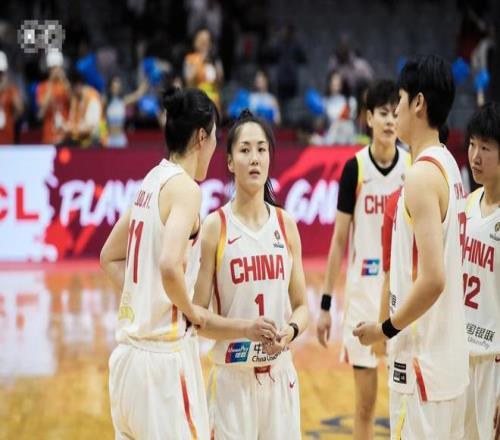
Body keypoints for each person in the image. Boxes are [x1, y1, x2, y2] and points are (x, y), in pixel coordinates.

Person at [353, 55, 469, 439]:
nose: (396, 110)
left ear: (418, 103)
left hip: (421, 368)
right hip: (448, 365)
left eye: (400, 100)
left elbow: (433, 279)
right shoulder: (450, 166)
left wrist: (383, 329)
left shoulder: (420, 176)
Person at [100, 87, 219, 439]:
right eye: (215, 136)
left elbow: (109, 257)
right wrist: (192, 312)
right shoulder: (186, 189)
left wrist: (144, 299)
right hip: (163, 365)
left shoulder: (151, 181)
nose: (216, 145)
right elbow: (169, 264)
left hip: (127, 363)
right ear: (202, 137)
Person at [193, 110, 308, 439]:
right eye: (245, 150)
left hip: (280, 378)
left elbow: (302, 306)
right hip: (232, 380)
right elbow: (198, 318)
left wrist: (290, 331)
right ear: (230, 162)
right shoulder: (215, 226)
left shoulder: (286, 225)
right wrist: (246, 329)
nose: (254, 158)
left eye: (261, 149)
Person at [316, 79, 409, 440]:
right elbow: (339, 240)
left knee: (407, 402)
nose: (390, 121)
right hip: (362, 296)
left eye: (395, 113)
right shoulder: (354, 169)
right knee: (365, 408)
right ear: (368, 118)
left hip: (402, 295)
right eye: (383, 113)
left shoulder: (413, 166)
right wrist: (325, 305)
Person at [461, 103, 500, 440]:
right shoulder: (469, 203)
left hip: (494, 361)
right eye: (472, 144)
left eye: (485, 148)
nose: (475, 156)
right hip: (461, 355)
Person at [184, 28, 223, 110]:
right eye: (202, 40)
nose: (205, 44)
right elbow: (189, 82)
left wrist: (215, 65)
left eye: (208, 41)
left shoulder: (215, 60)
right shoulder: (190, 59)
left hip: (214, 101)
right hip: (197, 101)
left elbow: (220, 83)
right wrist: (200, 60)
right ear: (196, 42)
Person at [36, 50, 70, 144]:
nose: (55, 71)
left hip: (65, 136)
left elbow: (73, 102)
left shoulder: (65, 85)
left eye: (57, 68)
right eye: (53, 68)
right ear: (48, 69)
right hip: (48, 136)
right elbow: (43, 108)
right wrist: (51, 83)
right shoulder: (42, 87)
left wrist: (64, 80)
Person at [104, 75, 148, 148]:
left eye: (118, 87)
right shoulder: (106, 102)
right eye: (114, 87)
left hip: (121, 140)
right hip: (109, 140)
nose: (116, 89)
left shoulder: (122, 101)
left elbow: (137, 95)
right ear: (110, 87)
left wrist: (144, 86)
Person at [63, 71, 103, 147]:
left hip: (96, 141)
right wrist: (65, 126)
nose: (69, 92)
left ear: (78, 86)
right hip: (81, 140)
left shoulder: (93, 98)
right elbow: (72, 121)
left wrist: (71, 129)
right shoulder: (76, 99)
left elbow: (89, 128)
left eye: (70, 89)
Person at [0, 51, 23, 144]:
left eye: (1, 73)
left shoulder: (11, 89)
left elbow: (20, 110)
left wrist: (11, 120)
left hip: (7, 138)